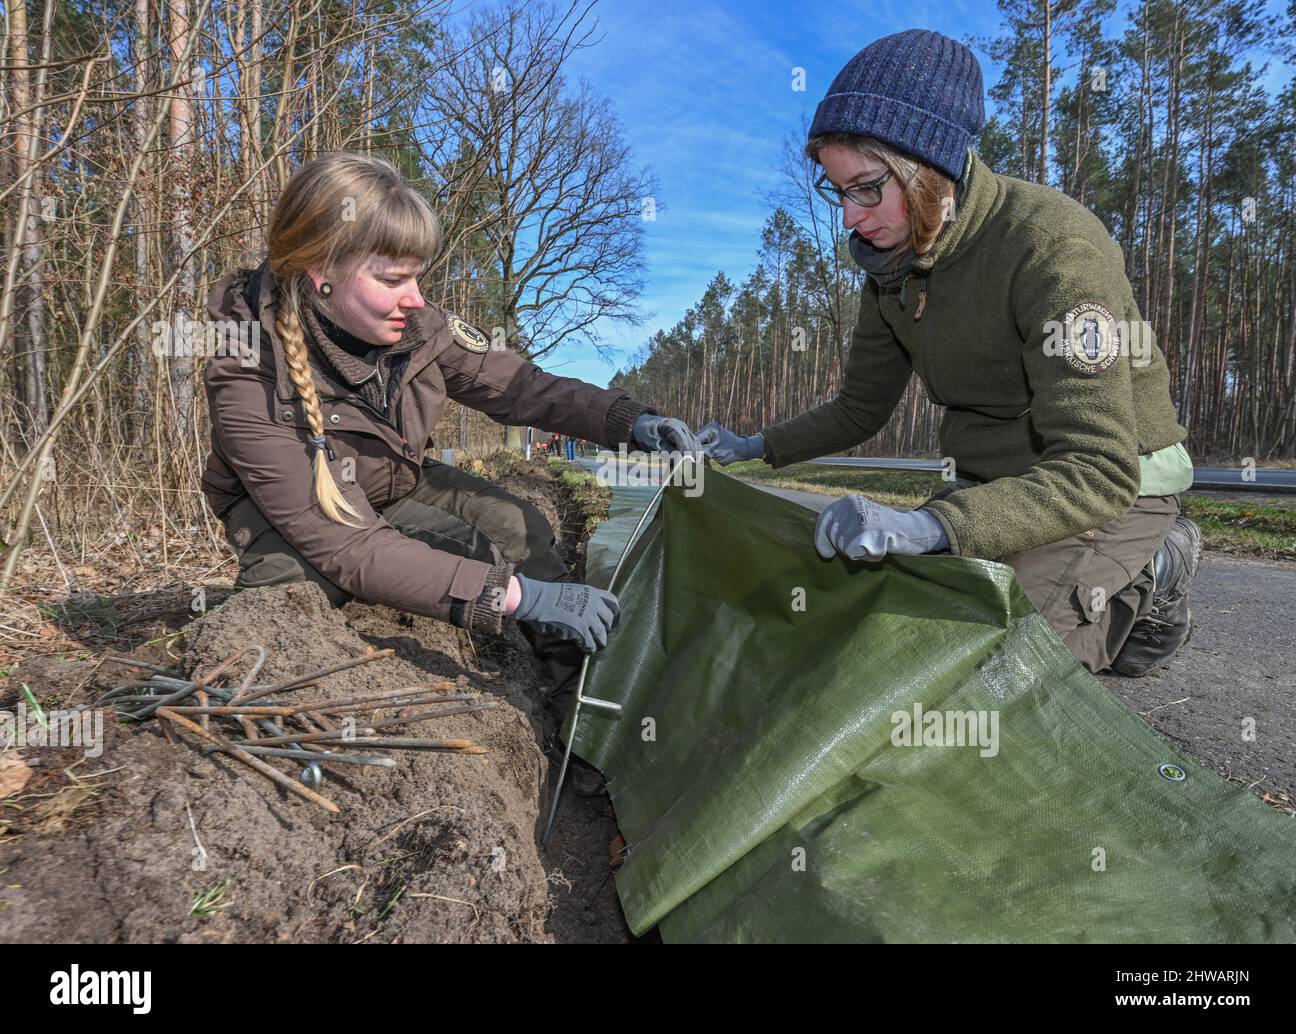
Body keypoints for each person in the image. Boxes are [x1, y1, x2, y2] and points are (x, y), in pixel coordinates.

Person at [698, 29, 1201, 678]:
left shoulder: (1051, 247)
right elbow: (859, 409)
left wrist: (935, 528)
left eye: (866, 188)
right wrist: (754, 446)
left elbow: (1096, 470)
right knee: (890, 627)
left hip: (1109, 485)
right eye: (838, 191)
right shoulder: (891, 271)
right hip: (996, 486)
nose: (850, 218)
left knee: (995, 670)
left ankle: (1150, 564)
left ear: (926, 169)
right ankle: (1126, 604)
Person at [203, 152, 701, 692]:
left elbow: (520, 388)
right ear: (321, 274)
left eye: (418, 276)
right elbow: (349, 547)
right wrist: (517, 598)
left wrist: (629, 422)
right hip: (295, 517)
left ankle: (573, 704)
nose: (415, 299)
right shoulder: (247, 369)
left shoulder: (419, 326)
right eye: (394, 279)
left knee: (518, 527)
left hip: (395, 480)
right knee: (290, 605)